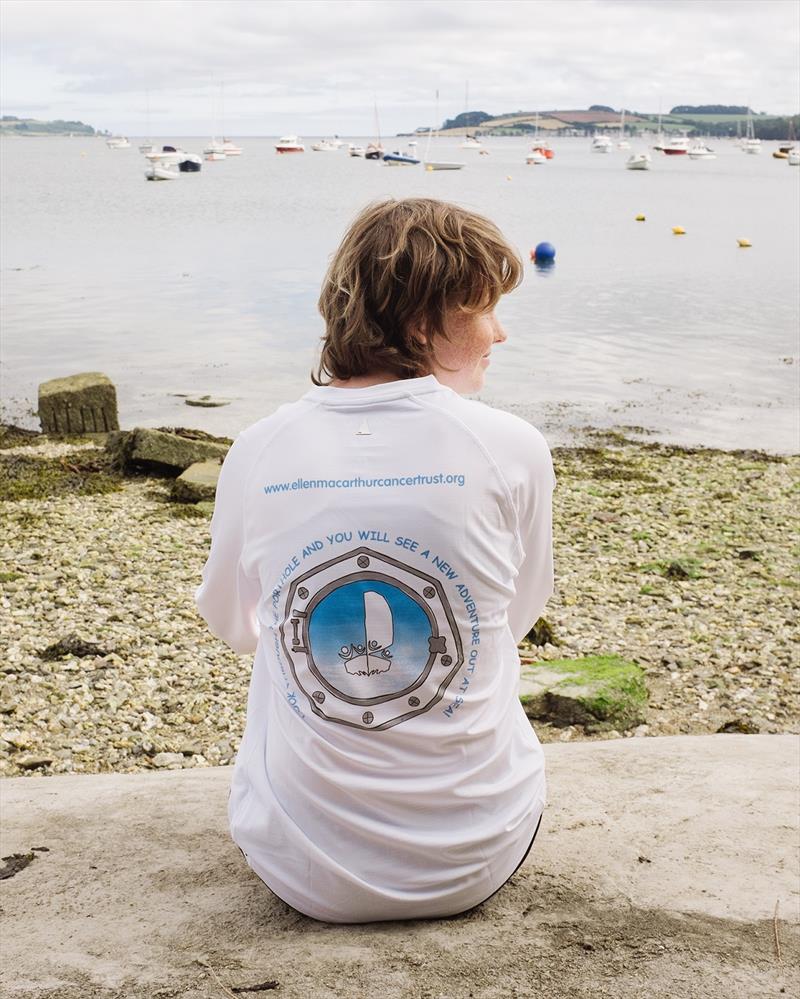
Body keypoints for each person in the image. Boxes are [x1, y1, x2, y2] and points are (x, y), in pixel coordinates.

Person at [195, 197, 555, 923]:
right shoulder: (511, 447)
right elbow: (511, 619)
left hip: (302, 870)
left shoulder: (260, 448)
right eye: (483, 309)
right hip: (477, 856)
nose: (501, 332)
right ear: (423, 323)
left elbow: (235, 625)